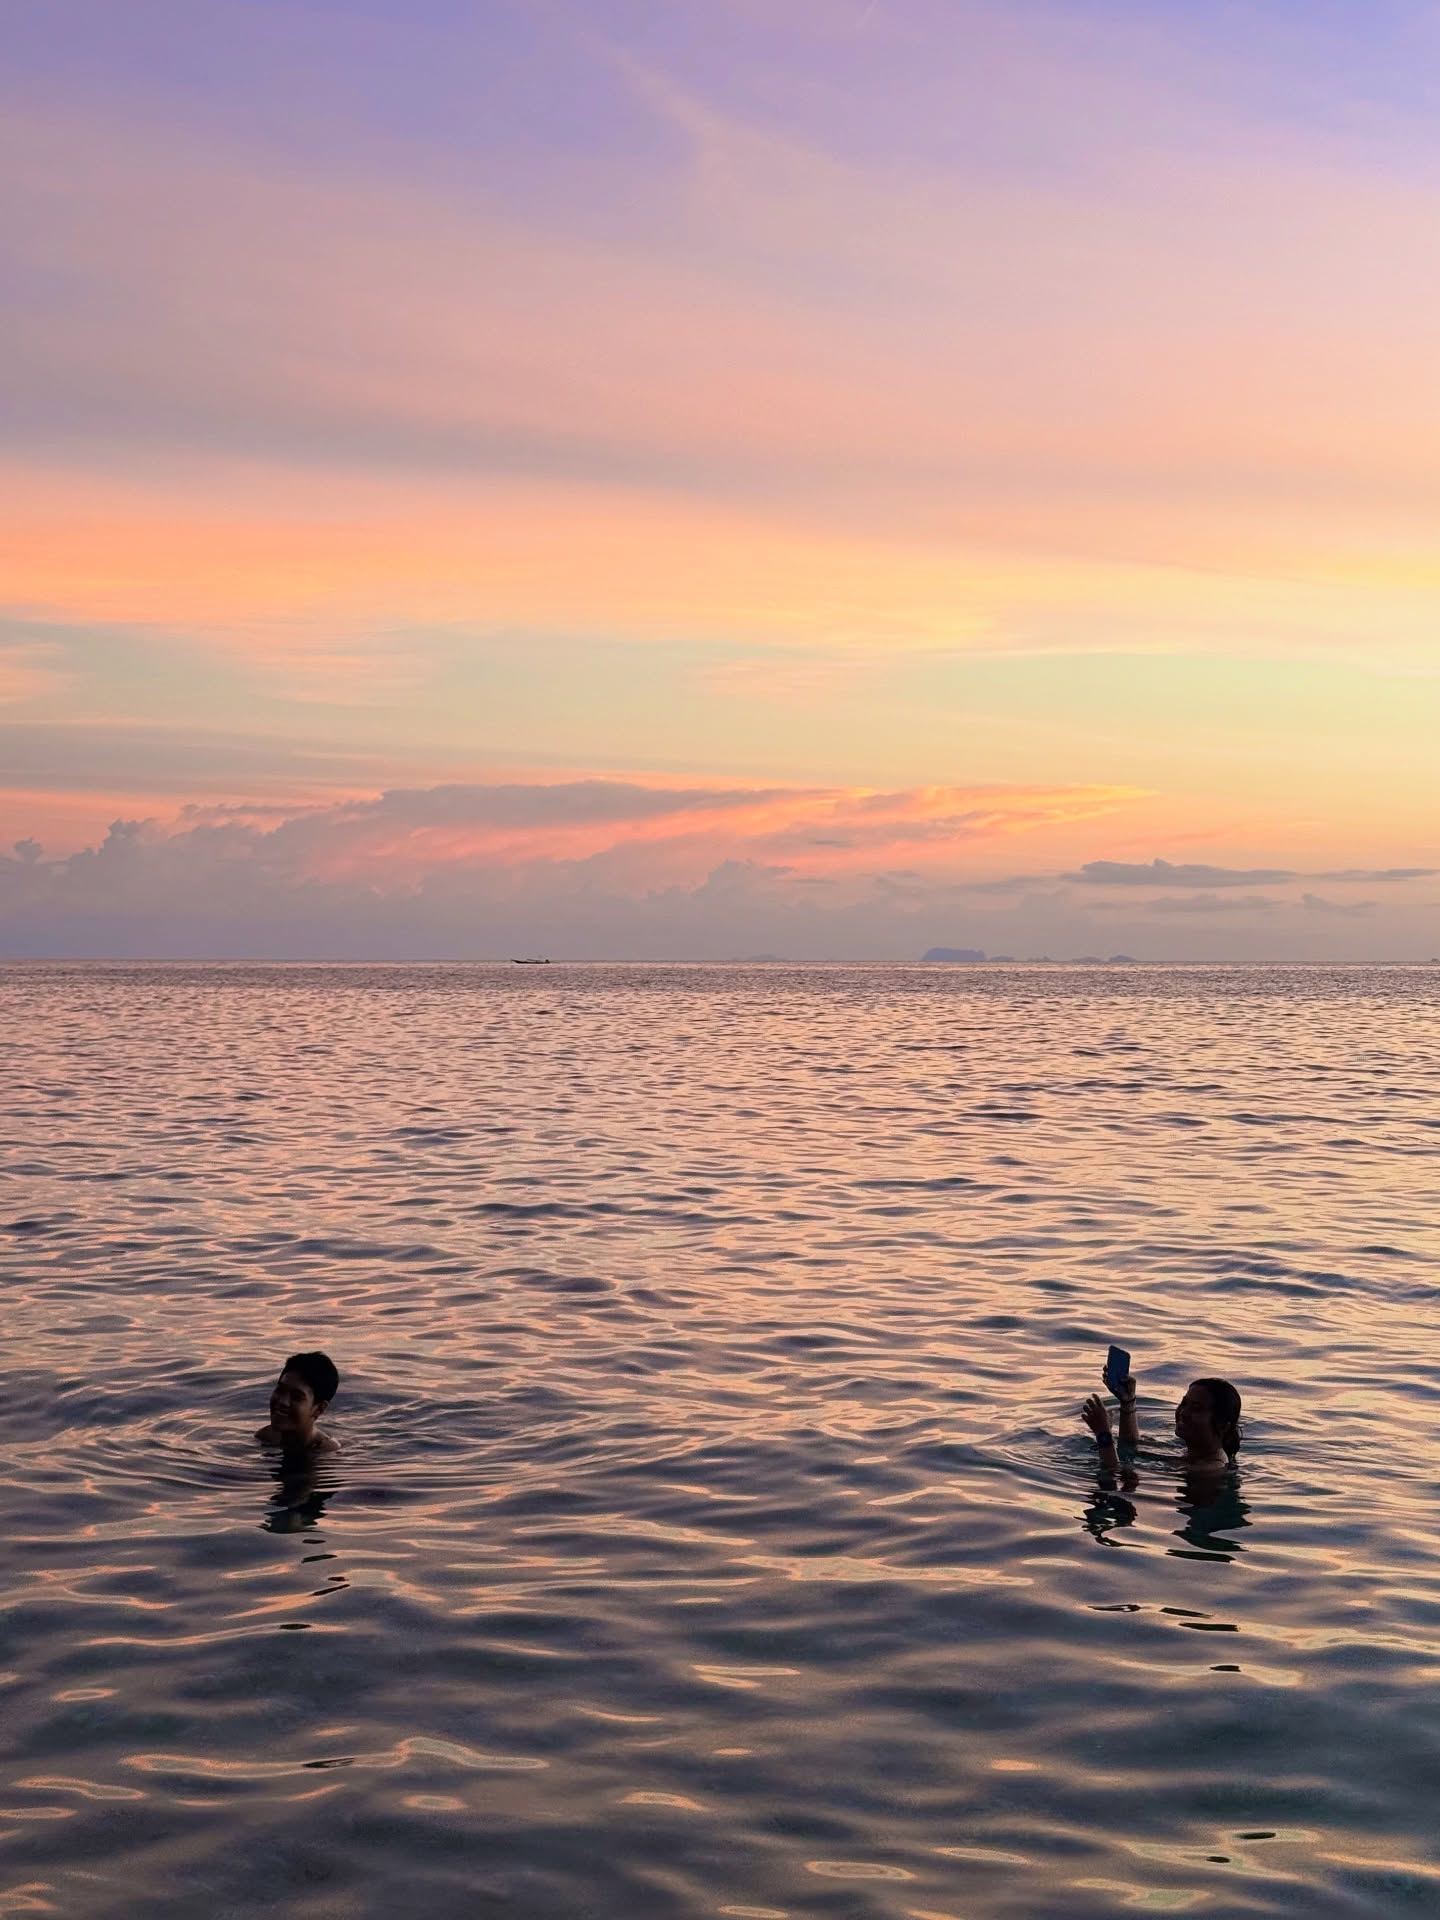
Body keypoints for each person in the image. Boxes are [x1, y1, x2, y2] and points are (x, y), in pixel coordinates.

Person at [1082, 1367, 1241, 1478]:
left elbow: (1115, 1473)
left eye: (1196, 1408)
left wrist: (1103, 1435)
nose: (1183, 1412)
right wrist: (1128, 1402)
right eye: (1184, 1403)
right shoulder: (1192, 1452)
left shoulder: (1209, 1469)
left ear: (1222, 1426)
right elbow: (1130, 1445)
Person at [256, 1350, 341, 1454]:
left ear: (319, 1409)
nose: (283, 1401)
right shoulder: (266, 1436)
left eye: (296, 1397)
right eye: (280, 1390)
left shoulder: (326, 1452)